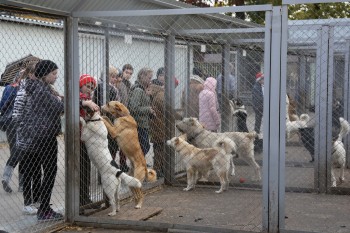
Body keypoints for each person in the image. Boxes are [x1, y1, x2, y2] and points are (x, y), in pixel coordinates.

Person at [15, 60, 64, 220]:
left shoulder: (41, 88)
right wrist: (75, 101)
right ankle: (43, 210)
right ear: (44, 74)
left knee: (44, 171)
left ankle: (42, 206)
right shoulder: (41, 90)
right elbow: (59, 108)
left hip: (40, 135)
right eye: (53, 73)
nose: (56, 76)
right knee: (49, 171)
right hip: (44, 136)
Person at [79, 74, 100, 210]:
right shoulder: (79, 98)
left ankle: (85, 197)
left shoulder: (88, 99)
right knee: (80, 169)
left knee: (86, 169)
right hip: (78, 138)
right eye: (87, 86)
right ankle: (80, 199)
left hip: (86, 138)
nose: (89, 89)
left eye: (92, 88)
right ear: (81, 85)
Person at [0, 71, 23, 193]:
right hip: (15, 123)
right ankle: (19, 184)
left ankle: (10, 179)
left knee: (17, 151)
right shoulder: (12, 88)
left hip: (12, 124)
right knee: (20, 152)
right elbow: (2, 105)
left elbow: (2, 105)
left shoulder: (10, 88)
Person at [93, 66, 121, 160]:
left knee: (110, 145)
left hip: (106, 118)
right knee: (111, 145)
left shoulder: (102, 86)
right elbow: (106, 105)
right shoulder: (106, 88)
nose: (115, 79)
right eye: (112, 77)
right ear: (106, 76)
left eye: (115, 77)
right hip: (109, 119)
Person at [128, 67, 155, 157]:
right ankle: (137, 164)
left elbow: (143, 103)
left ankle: (138, 164)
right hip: (139, 124)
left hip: (143, 123)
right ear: (142, 76)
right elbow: (133, 108)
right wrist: (148, 110)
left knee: (144, 147)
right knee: (144, 147)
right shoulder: (138, 90)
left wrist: (148, 95)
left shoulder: (143, 90)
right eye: (149, 78)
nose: (150, 81)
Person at [117, 64, 134, 171]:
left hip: (126, 115)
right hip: (118, 115)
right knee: (114, 143)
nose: (128, 75)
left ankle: (122, 163)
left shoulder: (129, 85)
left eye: (130, 73)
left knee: (125, 142)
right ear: (122, 72)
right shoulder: (119, 84)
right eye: (126, 72)